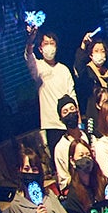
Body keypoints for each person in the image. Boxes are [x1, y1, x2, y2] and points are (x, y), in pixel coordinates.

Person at [26, 21, 78, 158]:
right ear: (40, 49)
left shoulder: (64, 69)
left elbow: (72, 94)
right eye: (46, 43)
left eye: (52, 43)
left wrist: (77, 119)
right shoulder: (38, 67)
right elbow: (28, 56)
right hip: (52, 124)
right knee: (59, 157)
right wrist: (30, 40)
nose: (50, 47)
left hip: (70, 121)